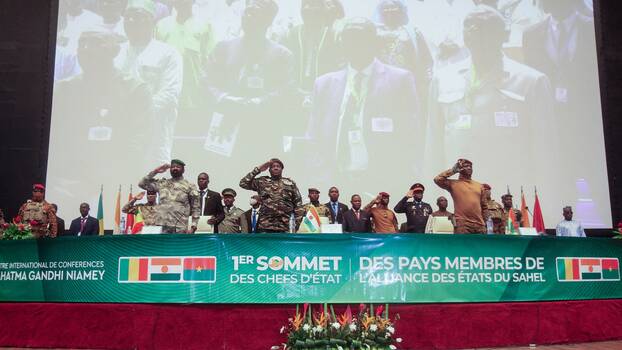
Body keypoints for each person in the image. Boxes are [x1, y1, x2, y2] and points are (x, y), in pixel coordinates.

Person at [425, 5, 557, 203]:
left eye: (484, 27)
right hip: (458, 194)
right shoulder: (443, 79)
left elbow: (544, 149)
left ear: (505, 34)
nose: (474, 33)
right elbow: (434, 142)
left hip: (509, 189)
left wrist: (547, 201)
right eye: (469, 27)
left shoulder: (531, 81)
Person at [305, 17, 421, 192]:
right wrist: (319, 174)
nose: (353, 43)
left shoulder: (399, 80)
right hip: (335, 180)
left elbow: (411, 133)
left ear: (374, 42)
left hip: (382, 182)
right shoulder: (324, 84)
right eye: (348, 38)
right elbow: (313, 135)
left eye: (360, 37)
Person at [47, 28, 154, 215]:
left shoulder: (134, 89)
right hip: (71, 180)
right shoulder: (65, 89)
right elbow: (58, 137)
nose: (87, 50)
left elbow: (140, 140)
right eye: (83, 45)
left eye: (95, 45)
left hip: (116, 179)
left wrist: (112, 174)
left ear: (114, 51)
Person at [523, 0, 606, 223]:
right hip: (550, 127)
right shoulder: (531, 33)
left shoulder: (590, 27)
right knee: (557, 185)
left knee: (597, 187)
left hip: (586, 124)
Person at [204, 0, 295, 170]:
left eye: (255, 13)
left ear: (268, 20)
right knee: (224, 177)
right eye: (247, 12)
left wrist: (258, 102)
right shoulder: (223, 48)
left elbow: (286, 90)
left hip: (263, 126)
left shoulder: (282, 55)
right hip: (226, 124)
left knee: (261, 181)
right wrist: (225, 99)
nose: (248, 17)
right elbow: (208, 82)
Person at [116, 0, 183, 164]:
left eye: (138, 17)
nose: (132, 21)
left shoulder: (168, 54)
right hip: (119, 131)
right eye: (128, 17)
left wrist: (136, 111)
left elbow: (169, 95)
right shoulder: (116, 52)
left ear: (152, 21)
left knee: (153, 181)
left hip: (155, 133)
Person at [156, 0, 215, 124]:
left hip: (195, 97)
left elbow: (211, 62)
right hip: (167, 98)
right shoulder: (161, 26)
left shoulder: (205, 25)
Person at [375, 0, 433, 114]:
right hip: (383, 81)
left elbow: (425, 57)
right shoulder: (374, 32)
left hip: (409, 81)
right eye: (385, 9)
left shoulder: (412, 31)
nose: (389, 11)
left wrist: (426, 80)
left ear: (401, 11)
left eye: (393, 8)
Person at [282, 0, 342, 93]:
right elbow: (283, 66)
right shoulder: (291, 34)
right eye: (304, 5)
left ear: (323, 9)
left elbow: (340, 69)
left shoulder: (334, 36)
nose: (307, 8)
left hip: (325, 92)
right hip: (293, 91)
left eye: (312, 4)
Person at [239, 158, 304, 233]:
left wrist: (297, 225)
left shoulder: (290, 184)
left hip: (283, 228)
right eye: (273, 166)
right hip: (264, 227)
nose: (276, 168)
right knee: (264, 245)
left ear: (282, 169)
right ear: (269, 170)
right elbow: (243, 183)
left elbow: (298, 205)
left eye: (278, 166)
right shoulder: (262, 182)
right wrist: (258, 169)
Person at [138, 159, 200, 233]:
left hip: (179, 227)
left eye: (178, 167)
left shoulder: (189, 186)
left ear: (183, 170)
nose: (175, 168)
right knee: (160, 245)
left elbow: (196, 207)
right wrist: (155, 171)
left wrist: (193, 227)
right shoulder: (162, 183)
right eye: (173, 167)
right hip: (160, 226)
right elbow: (142, 184)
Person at [434, 159, 487, 234]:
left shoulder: (479, 186)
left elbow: (484, 207)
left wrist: (485, 223)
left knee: (481, 246)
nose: (469, 168)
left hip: (479, 225)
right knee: (462, 246)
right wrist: (453, 171)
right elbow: (437, 180)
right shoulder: (453, 184)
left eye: (470, 166)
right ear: (460, 169)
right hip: (463, 224)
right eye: (466, 166)